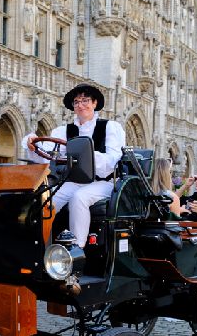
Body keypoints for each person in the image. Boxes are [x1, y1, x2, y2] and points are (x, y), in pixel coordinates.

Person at [21, 84, 126, 247]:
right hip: (75, 181)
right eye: (76, 102)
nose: (80, 105)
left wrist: (88, 155)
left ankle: (77, 249)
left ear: (94, 103)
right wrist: (32, 143)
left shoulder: (110, 127)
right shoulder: (64, 131)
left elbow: (113, 161)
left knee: (80, 198)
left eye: (85, 100)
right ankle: (39, 246)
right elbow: (47, 155)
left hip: (104, 182)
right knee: (46, 201)